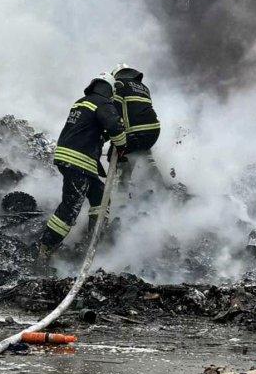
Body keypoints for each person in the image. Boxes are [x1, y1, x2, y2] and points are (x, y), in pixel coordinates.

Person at [35, 73, 125, 272]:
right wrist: (122, 145)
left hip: (73, 157)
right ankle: (45, 248)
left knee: (100, 198)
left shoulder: (82, 102)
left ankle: (93, 242)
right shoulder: (103, 103)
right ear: (109, 90)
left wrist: (104, 136)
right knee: (71, 207)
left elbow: (89, 130)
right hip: (79, 160)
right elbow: (115, 127)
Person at [110, 64, 169, 194]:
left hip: (135, 131)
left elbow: (114, 109)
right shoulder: (144, 87)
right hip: (153, 131)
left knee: (122, 158)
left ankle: (121, 193)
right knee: (144, 154)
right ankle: (162, 190)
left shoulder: (119, 85)